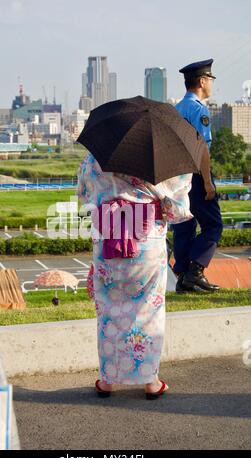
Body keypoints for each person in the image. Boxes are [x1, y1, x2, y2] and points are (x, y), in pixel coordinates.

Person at [78, 154, 193, 398]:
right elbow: (178, 209)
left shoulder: (95, 156)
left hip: (108, 233)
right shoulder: (165, 155)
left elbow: (84, 193)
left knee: (108, 309)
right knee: (148, 308)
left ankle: (107, 379)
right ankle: (150, 381)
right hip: (146, 238)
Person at [173, 59, 223, 293]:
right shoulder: (198, 109)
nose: (212, 83)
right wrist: (207, 181)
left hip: (177, 176)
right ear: (202, 81)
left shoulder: (176, 109)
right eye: (210, 79)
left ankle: (183, 277)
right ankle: (196, 271)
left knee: (185, 224)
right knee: (213, 225)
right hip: (195, 174)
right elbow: (202, 147)